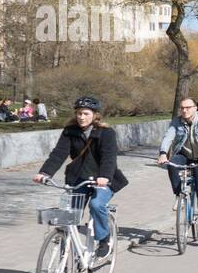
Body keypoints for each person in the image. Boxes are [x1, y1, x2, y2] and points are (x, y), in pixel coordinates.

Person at [33, 96, 128, 261]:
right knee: (68, 215)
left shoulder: (106, 133)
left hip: (102, 179)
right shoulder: (70, 131)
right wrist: (45, 173)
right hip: (78, 179)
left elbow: (109, 158)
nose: (81, 117)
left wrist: (104, 176)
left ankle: (104, 240)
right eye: (78, 113)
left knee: (96, 204)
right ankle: (66, 259)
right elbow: (58, 154)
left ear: (95, 115)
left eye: (85, 113)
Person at [157, 97, 198, 238]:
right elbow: (168, 137)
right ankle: (179, 194)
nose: (184, 110)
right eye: (182, 108)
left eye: (188, 107)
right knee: (172, 165)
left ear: (195, 108)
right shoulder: (177, 121)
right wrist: (163, 153)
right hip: (184, 155)